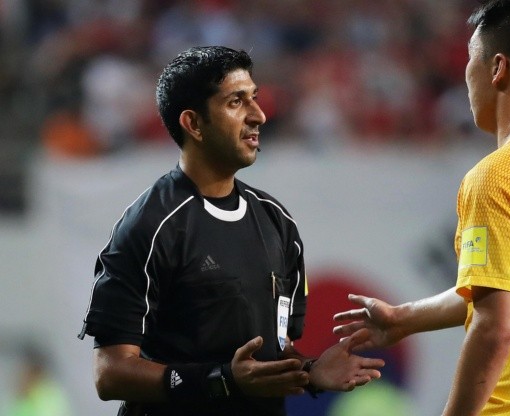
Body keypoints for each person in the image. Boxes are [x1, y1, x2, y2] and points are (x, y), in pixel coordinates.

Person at [334, 1, 510, 415]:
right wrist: (403, 319)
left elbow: (496, 326)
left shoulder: (497, 177)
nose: (466, 75)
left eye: (471, 60)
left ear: (497, 68)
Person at [78, 45, 384, 416]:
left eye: (254, 98)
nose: (259, 115)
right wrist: (221, 380)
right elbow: (110, 374)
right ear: (193, 123)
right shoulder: (149, 226)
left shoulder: (278, 222)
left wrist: (310, 370)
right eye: (237, 102)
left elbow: (273, 352)